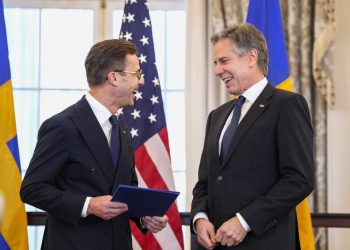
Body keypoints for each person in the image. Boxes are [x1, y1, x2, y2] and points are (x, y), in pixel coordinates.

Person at [20, 39, 168, 250]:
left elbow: (126, 189)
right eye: (137, 74)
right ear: (114, 77)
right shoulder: (62, 126)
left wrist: (143, 216)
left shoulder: (122, 130)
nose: (141, 82)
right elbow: (32, 189)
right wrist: (88, 205)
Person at [190, 23, 314, 250]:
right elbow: (205, 183)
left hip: (263, 242)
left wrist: (244, 221)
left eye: (224, 61)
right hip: (214, 244)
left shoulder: (286, 105)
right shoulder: (217, 116)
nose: (217, 70)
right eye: (216, 63)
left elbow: (299, 179)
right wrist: (199, 217)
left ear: (251, 57)